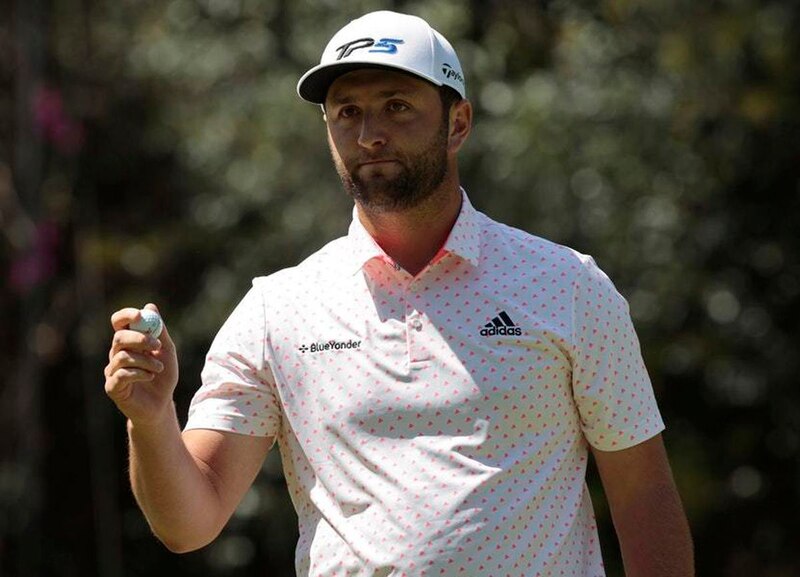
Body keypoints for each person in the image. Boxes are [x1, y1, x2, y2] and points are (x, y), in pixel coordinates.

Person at [104, 10, 694, 577]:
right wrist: (152, 421)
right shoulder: (276, 309)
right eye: (347, 112)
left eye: (397, 107)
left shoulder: (567, 285)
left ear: (457, 122)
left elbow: (643, 494)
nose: (370, 134)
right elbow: (189, 523)